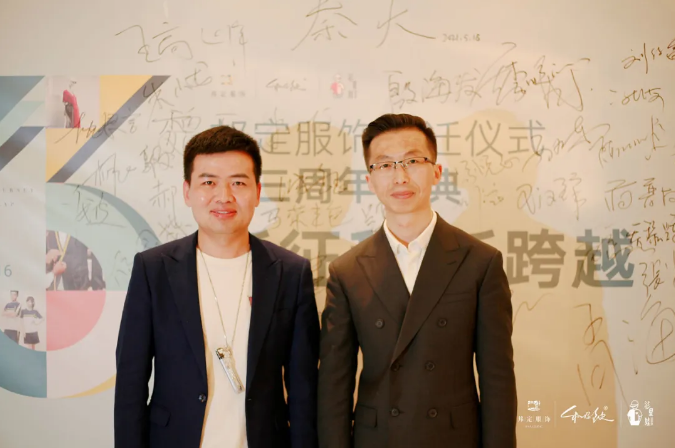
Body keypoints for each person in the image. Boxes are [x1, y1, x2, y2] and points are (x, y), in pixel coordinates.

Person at [318, 114, 517, 448]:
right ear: (370, 180)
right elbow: (333, 387)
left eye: (412, 161)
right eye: (385, 165)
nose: (400, 176)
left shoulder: (480, 262)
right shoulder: (347, 271)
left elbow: (497, 380)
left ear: (436, 172)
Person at [115, 125, 320, 448]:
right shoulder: (153, 270)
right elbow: (131, 382)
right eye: (208, 182)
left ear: (257, 192)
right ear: (187, 191)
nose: (224, 196)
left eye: (238, 182)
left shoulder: (291, 273)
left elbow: (304, 389)